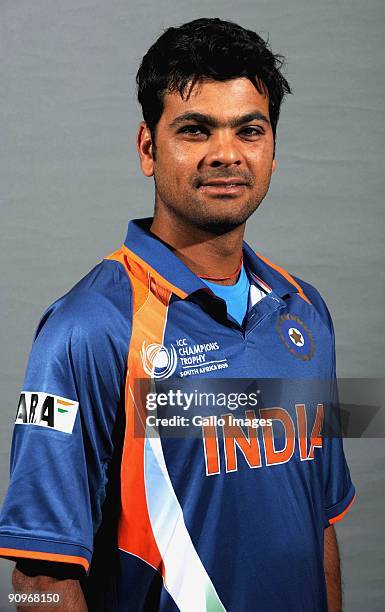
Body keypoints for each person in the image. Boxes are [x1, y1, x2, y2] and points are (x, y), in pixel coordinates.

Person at [0, 17, 355, 612]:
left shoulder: (306, 311)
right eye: (195, 130)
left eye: (249, 130)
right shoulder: (85, 328)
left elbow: (320, 523)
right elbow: (36, 584)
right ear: (148, 148)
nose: (226, 154)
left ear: (272, 148)